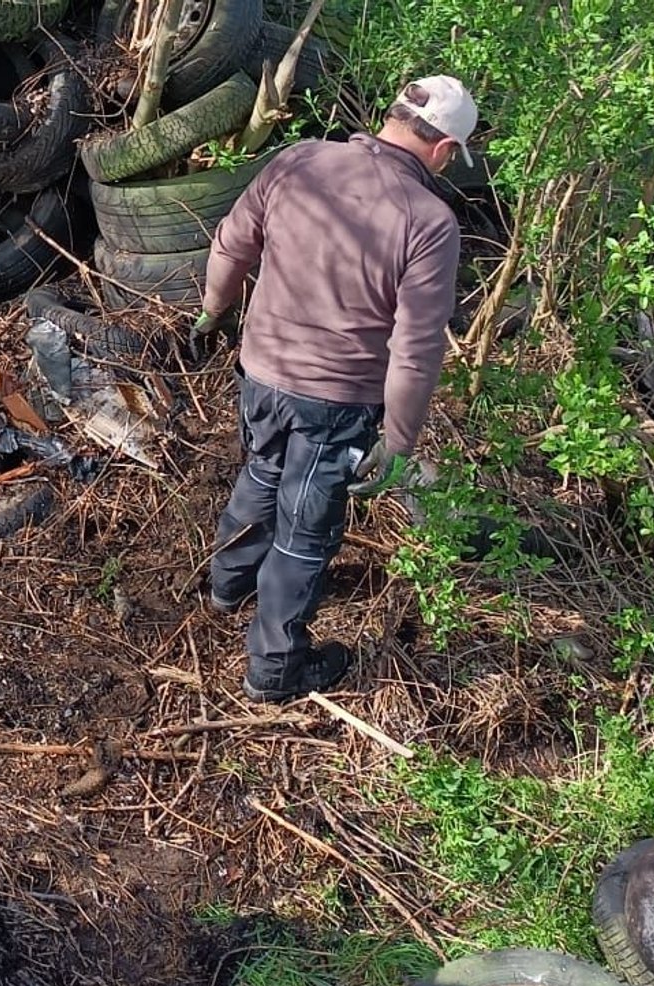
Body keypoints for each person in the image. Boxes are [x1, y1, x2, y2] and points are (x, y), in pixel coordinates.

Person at [193, 75, 476, 703]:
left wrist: (213, 312)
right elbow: (416, 346)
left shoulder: (299, 162)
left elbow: (231, 245)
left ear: (393, 116)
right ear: (444, 151)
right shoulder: (428, 221)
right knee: (304, 530)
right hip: (336, 400)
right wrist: (399, 440)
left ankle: (227, 586)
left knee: (262, 472)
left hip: (261, 373)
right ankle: (275, 670)